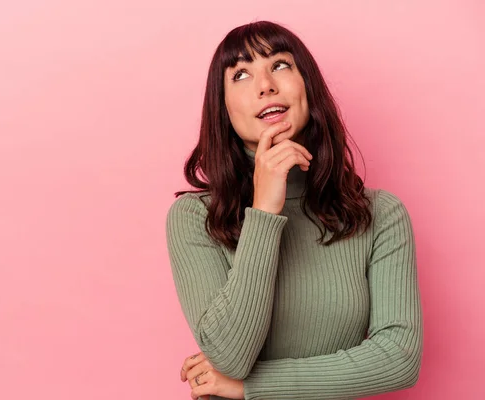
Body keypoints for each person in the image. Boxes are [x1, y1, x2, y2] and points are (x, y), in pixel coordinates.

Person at [165, 20, 423, 400]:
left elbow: (399, 358)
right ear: (224, 110)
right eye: (240, 74)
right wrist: (265, 209)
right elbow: (230, 356)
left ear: (308, 87)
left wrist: (250, 387)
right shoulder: (194, 218)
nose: (265, 84)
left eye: (280, 65)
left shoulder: (379, 214)